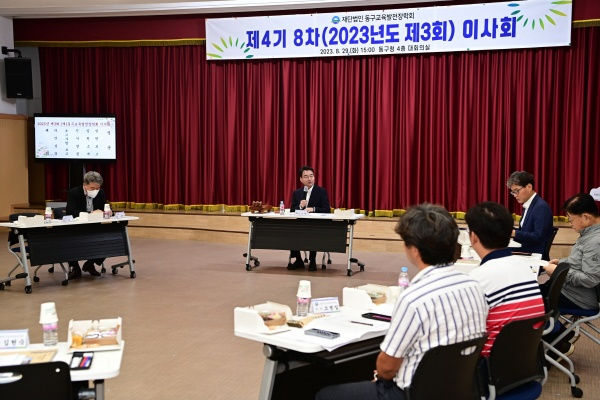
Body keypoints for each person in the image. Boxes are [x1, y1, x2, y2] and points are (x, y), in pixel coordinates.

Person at [315, 204, 488, 400]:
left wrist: (379, 375)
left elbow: (387, 368)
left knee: (325, 395)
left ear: (414, 249)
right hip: (459, 390)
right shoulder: (474, 286)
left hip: (410, 394)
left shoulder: (414, 298)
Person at [466, 202, 546, 357]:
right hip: (526, 358)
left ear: (473, 237)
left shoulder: (477, 279)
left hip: (488, 364)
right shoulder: (525, 268)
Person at [542, 193, 600, 355]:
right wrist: (561, 262)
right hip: (573, 291)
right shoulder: (589, 235)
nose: (570, 223)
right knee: (535, 292)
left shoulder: (595, 242)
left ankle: (558, 346)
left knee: (532, 300)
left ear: (586, 217)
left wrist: (559, 271)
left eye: (571, 219)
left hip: (580, 298)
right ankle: (561, 336)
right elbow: (579, 261)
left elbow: (590, 279)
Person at [66, 171, 109, 279]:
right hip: (77, 226)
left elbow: (106, 207)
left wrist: (108, 212)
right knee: (68, 239)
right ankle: (75, 268)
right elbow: (70, 211)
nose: (95, 191)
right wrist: (90, 214)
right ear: (84, 185)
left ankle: (90, 263)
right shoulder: (74, 193)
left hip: (95, 226)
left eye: (97, 188)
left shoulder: (101, 192)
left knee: (109, 238)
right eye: (92, 188)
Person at [288, 165, 331, 271]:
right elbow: (292, 209)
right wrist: (300, 206)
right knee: (291, 232)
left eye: (311, 176)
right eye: (306, 176)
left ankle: (312, 260)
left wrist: (313, 209)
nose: (309, 179)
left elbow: (327, 209)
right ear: (301, 179)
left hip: (316, 224)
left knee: (313, 233)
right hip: (301, 223)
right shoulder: (297, 193)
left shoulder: (321, 191)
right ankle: (298, 260)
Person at [506, 171, 554, 255]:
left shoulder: (540, 207)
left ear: (529, 187)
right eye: (513, 192)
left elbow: (537, 236)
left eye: (516, 191)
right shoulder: (530, 205)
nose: (515, 195)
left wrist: (514, 233)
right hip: (526, 249)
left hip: (533, 253)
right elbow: (525, 231)